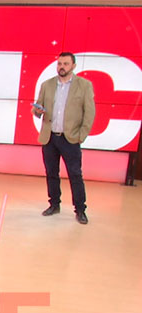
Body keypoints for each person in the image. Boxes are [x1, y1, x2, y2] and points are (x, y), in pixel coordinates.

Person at [32, 52, 95, 225]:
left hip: (70, 138)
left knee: (75, 174)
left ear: (73, 66)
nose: (62, 67)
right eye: (59, 63)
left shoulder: (84, 86)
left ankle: (80, 209)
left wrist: (81, 135)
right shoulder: (47, 85)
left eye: (66, 64)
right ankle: (54, 204)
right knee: (51, 173)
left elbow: (89, 113)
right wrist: (37, 111)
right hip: (50, 137)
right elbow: (37, 109)